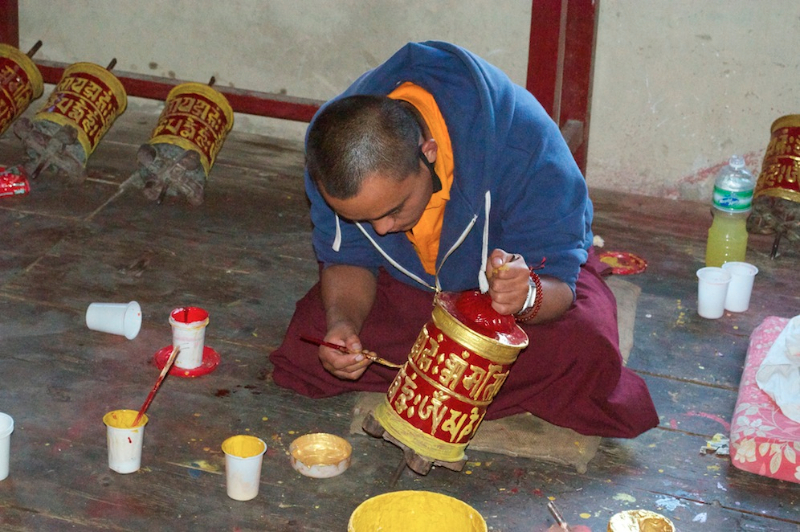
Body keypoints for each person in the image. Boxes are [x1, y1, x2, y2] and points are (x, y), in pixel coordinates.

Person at [269, 41, 658, 438]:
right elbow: (348, 258)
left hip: (515, 294)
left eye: (393, 210)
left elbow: (558, 276)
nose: (382, 230)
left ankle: (435, 384)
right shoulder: (332, 154)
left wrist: (524, 296)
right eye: (363, 219)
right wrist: (343, 325)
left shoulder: (523, 142)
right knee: (312, 340)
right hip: (414, 288)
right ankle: (462, 387)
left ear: (429, 152)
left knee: (585, 351)